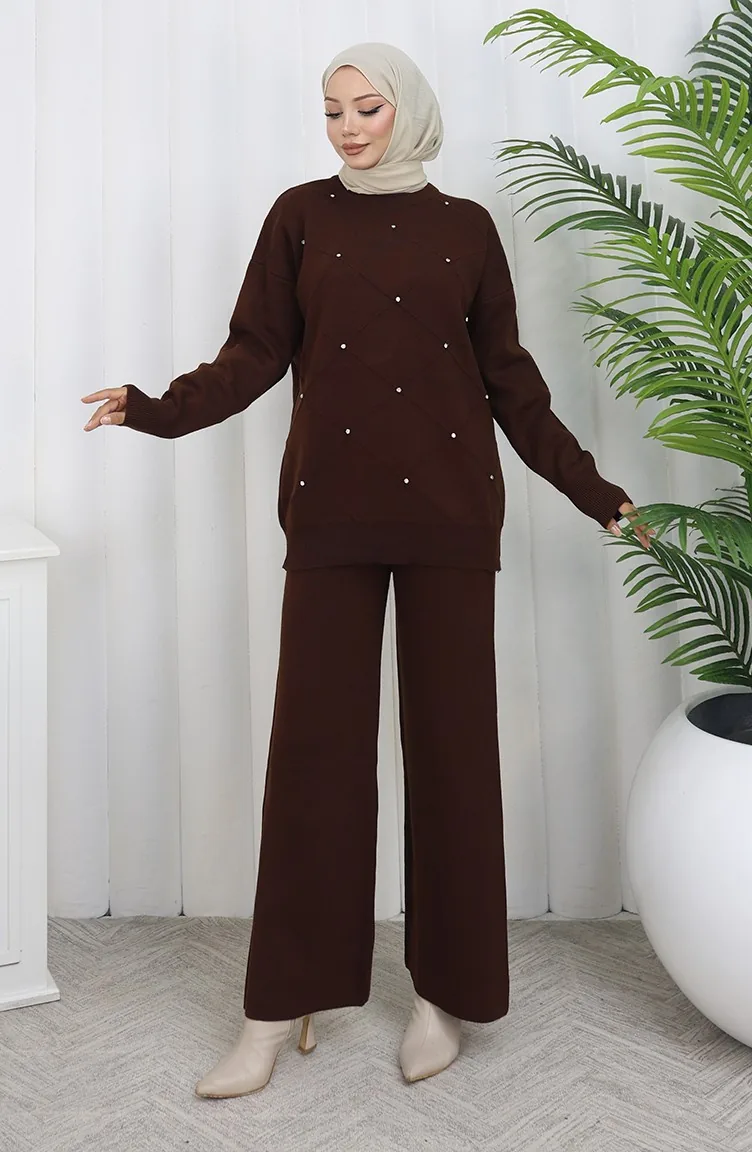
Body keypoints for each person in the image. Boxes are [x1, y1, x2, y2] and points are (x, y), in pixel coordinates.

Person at [81, 42, 651, 1098]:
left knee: (452, 758)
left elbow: (511, 384)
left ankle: (443, 996)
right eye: (333, 110)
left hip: (450, 519)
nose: (347, 128)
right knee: (313, 761)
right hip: (332, 515)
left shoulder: (466, 229)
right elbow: (254, 352)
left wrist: (596, 492)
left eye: (368, 109)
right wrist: (155, 409)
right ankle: (277, 1004)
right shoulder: (300, 217)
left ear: (409, 111)